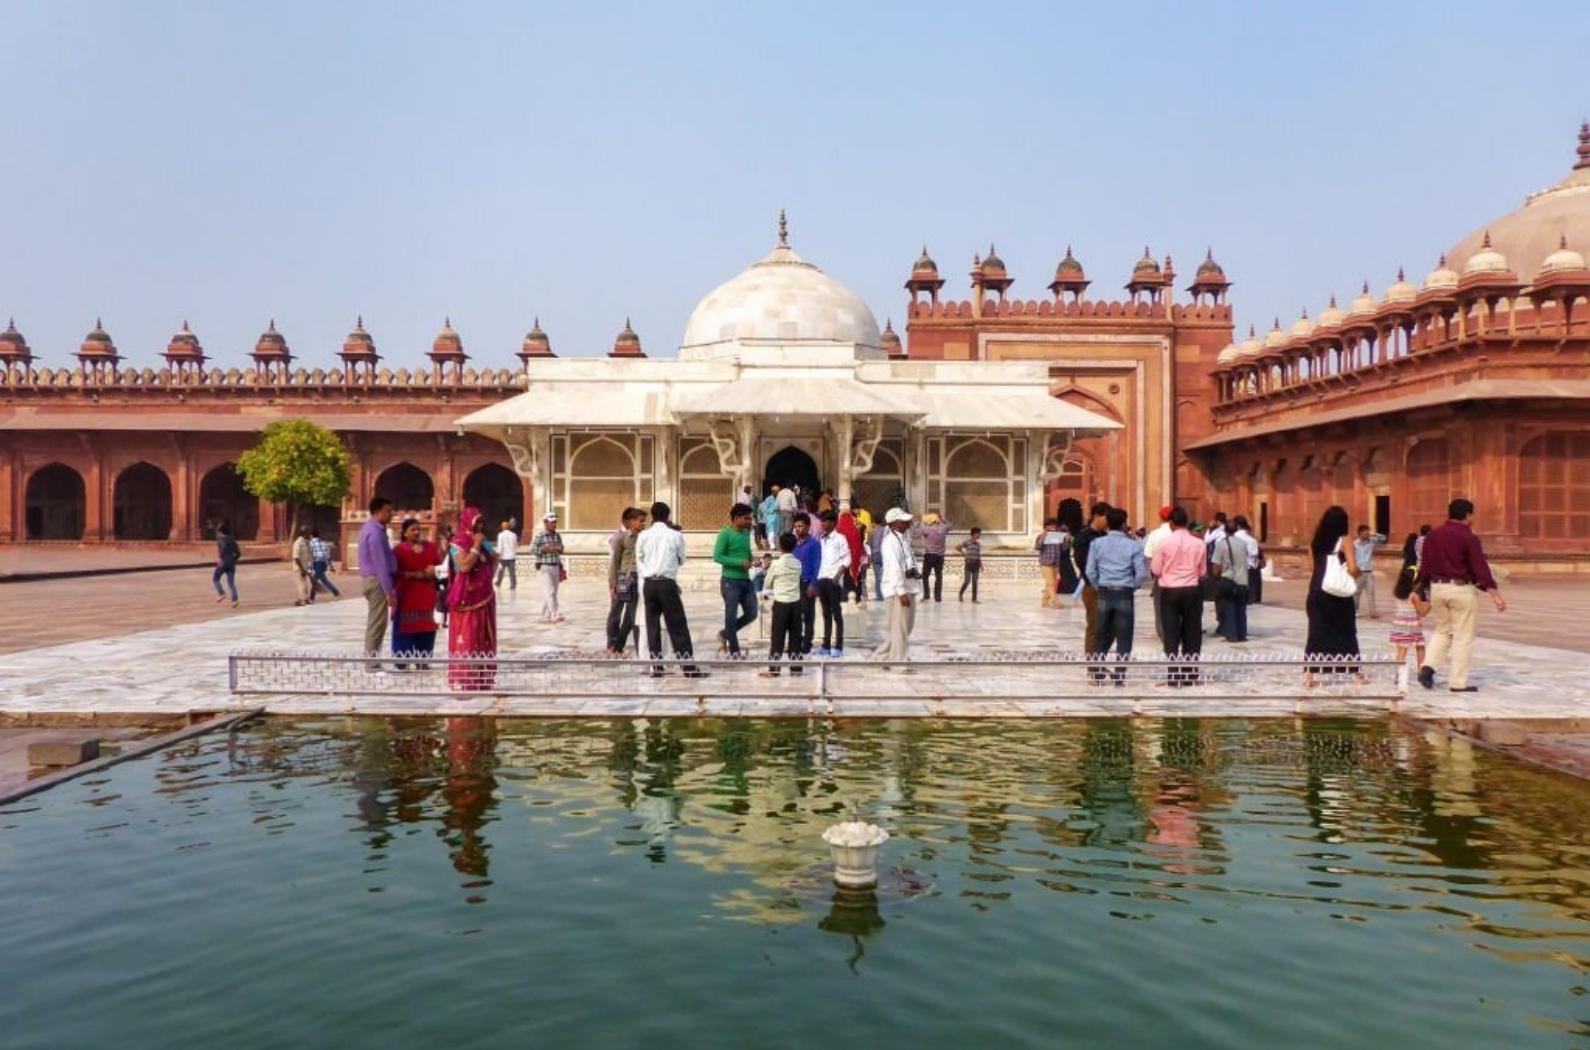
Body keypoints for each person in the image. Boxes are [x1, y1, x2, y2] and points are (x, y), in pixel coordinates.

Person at [1418, 498, 1506, 693]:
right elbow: (1479, 567)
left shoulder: (1433, 536)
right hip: (1460, 589)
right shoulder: (1469, 537)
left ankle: (1427, 667)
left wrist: (1423, 591)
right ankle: (1458, 682)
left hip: (1437, 589)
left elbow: (1425, 565)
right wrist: (1495, 594)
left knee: (1442, 631)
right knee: (1462, 637)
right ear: (1467, 515)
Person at [637, 501, 701, 677]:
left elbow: (639, 559)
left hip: (649, 583)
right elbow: (681, 559)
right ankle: (688, 668)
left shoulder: (644, 535)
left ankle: (657, 667)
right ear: (667, 516)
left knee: (652, 626)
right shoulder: (675, 535)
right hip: (667, 583)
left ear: (652, 515)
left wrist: (649, 572)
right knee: (677, 625)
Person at [1084, 507, 1149, 682]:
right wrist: (1132, 586)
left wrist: (1099, 586)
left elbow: (1090, 571)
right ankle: (1120, 674)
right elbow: (1141, 573)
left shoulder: (1097, 544)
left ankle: (1097, 673)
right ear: (1123, 524)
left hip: (1104, 591)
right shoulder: (1133, 545)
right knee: (1124, 635)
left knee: (1100, 633)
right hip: (1124, 593)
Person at [1304, 505, 1362, 680]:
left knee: (1316, 632)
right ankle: (1355, 673)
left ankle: (1309, 674)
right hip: (1338, 596)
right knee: (1346, 632)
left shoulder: (1314, 543)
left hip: (1317, 591)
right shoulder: (1345, 540)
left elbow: (1312, 569)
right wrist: (1357, 572)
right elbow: (1352, 568)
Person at [1151, 507, 1206, 685]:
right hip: (1192, 589)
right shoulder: (1199, 543)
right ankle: (1190, 674)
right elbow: (1203, 571)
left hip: (1170, 591)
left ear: (1172, 524)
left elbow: (1156, 570)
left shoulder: (1164, 544)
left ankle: (1174, 674)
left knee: (1171, 633)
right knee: (1192, 632)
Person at [446, 508, 497, 691]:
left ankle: (482, 679)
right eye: (477, 522)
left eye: (482, 522)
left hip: (484, 596)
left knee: (483, 637)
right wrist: (475, 545)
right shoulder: (457, 542)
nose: (480, 526)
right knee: (466, 638)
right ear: (468, 522)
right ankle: (464, 680)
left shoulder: (485, 542)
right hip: (465, 599)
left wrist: (486, 580)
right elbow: (464, 566)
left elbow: (494, 560)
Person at [391, 517, 443, 665]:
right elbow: (394, 572)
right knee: (405, 628)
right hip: (407, 595)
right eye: (412, 529)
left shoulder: (431, 547)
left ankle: (423, 660)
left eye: (418, 529)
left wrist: (432, 573)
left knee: (426, 628)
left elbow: (439, 567)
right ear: (404, 533)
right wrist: (413, 574)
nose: (416, 532)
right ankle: (402, 661)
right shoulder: (398, 550)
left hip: (427, 595)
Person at [874, 507, 921, 666]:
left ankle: (882, 657)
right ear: (894, 523)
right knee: (900, 629)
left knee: (904, 628)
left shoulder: (903, 538)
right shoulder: (890, 542)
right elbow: (894, 566)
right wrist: (901, 592)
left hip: (908, 587)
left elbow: (908, 561)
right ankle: (898, 661)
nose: (907, 523)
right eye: (903, 521)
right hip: (897, 591)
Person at [713, 502, 758, 658]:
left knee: (752, 613)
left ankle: (725, 633)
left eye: (750, 519)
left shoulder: (746, 534)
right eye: (746, 519)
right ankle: (734, 651)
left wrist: (752, 560)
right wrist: (739, 562)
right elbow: (717, 556)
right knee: (730, 617)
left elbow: (746, 553)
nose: (749, 522)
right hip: (730, 581)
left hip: (745, 581)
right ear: (736, 518)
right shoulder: (725, 534)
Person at [760, 532, 805, 677]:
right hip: (796, 604)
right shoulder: (798, 564)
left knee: (777, 638)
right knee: (795, 638)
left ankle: (774, 669)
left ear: (780, 546)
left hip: (781, 604)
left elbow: (767, 583)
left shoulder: (776, 565)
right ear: (795, 546)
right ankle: (796, 670)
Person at [358, 498, 398, 656]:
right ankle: (371, 664)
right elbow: (381, 565)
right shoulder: (375, 533)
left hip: (372, 580)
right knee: (377, 624)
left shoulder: (371, 529)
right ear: (378, 511)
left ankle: (372, 660)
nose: (391, 514)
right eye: (388, 511)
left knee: (377, 622)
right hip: (377, 582)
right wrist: (389, 592)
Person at [606, 506, 645, 655]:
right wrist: (612, 583)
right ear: (630, 521)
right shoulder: (620, 538)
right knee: (616, 610)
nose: (643, 524)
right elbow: (615, 561)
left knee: (633, 613)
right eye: (640, 521)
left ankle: (625, 645)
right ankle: (612, 641)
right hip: (624, 579)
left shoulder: (643, 537)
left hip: (637, 578)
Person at [1074, 503, 1111, 654]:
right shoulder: (1084, 537)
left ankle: (1099, 656)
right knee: (1095, 625)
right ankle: (1092, 662)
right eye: (1106, 518)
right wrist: (1095, 580)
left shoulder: (1105, 536)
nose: (1108, 522)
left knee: (1111, 626)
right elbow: (1081, 563)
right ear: (1096, 516)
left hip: (1107, 585)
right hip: (1091, 586)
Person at [815, 508, 852, 657]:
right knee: (825, 613)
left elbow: (847, 558)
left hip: (833, 579)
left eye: (825, 521)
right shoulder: (821, 539)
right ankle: (825, 644)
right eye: (822, 521)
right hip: (822, 578)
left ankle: (839, 645)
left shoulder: (840, 538)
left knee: (836, 613)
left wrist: (837, 576)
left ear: (833, 523)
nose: (823, 524)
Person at [1209, 519, 1251, 643]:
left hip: (1229, 581)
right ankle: (1242, 634)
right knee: (1241, 610)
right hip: (1243, 581)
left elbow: (1216, 566)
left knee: (1229, 607)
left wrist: (1215, 576)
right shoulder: (1242, 543)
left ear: (1224, 530)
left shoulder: (1221, 544)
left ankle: (1232, 634)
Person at [791, 512, 822, 660]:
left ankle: (807, 644)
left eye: (800, 526)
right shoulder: (793, 544)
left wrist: (813, 584)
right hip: (794, 584)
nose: (797, 529)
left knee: (808, 615)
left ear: (808, 527)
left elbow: (817, 565)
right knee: (795, 616)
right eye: (796, 526)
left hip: (808, 583)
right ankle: (796, 642)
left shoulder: (815, 544)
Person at [1142, 505, 1174, 646]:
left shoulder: (1155, 534)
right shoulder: (1181, 534)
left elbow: (1148, 556)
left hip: (1161, 577)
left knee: (1161, 608)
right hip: (1181, 578)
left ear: (1161, 517)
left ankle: (1164, 635)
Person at [1389, 564, 1430, 674]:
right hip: (1412, 626)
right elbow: (1422, 612)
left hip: (1399, 625)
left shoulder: (1397, 593)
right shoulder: (1414, 596)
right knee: (1420, 647)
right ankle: (1421, 671)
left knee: (1401, 650)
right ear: (1415, 583)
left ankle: (1397, 674)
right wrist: (1430, 603)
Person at [529, 512, 565, 622]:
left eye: (555, 523)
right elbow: (533, 550)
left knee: (552, 591)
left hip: (555, 566)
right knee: (550, 591)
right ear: (545, 523)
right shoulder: (540, 536)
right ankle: (555, 614)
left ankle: (545, 613)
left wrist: (559, 551)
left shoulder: (557, 536)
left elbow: (561, 549)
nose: (554, 525)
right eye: (552, 523)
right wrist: (543, 550)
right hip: (545, 567)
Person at [1204, 512, 1229, 637]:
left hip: (1217, 563)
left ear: (1218, 521)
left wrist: (1209, 528)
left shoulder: (1217, 531)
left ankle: (1222, 623)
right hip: (1229, 566)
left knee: (1219, 595)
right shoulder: (1229, 531)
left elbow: (1206, 541)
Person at [1352, 525, 1385, 619]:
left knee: (1371, 592)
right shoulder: (1354, 544)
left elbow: (1383, 538)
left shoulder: (1371, 542)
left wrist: (1374, 534)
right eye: (1365, 532)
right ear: (1360, 533)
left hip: (1368, 571)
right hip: (1358, 571)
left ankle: (1373, 612)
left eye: (1368, 532)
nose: (1367, 534)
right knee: (1356, 593)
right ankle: (1355, 611)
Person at [917, 512, 951, 602]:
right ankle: (938, 597)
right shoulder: (943, 529)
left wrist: (920, 520)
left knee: (925, 576)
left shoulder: (927, 529)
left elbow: (916, 529)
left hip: (929, 555)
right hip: (940, 556)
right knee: (939, 576)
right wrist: (942, 519)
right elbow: (949, 525)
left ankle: (926, 595)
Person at [1034, 517, 1067, 609]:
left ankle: (1044, 601)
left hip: (1056, 562)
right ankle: (1055, 601)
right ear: (1046, 526)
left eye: (1054, 525)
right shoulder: (1041, 536)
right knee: (1051, 583)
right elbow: (1037, 547)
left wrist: (1066, 539)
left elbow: (1063, 548)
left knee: (1051, 583)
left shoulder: (1058, 536)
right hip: (1046, 562)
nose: (1053, 527)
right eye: (1050, 525)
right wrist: (1044, 536)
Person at [836, 508, 864, 604]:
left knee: (844, 578)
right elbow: (859, 545)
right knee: (853, 578)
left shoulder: (839, 529)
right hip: (854, 559)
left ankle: (844, 596)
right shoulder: (854, 529)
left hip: (843, 559)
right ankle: (856, 596)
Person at [213, 521, 240, 607]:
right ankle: (235, 600)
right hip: (231, 563)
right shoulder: (232, 540)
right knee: (231, 583)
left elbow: (221, 552)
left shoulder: (220, 540)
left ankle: (221, 593)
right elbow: (238, 553)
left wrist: (220, 560)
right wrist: (233, 560)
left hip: (223, 563)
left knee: (216, 579)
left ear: (221, 532)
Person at [308, 527, 340, 599]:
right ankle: (311, 596)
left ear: (311, 535)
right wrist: (331, 566)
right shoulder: (323, 543)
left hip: (316, 563)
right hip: (323, 563)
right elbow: (328, 556)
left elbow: (310, 557)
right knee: (317, 579)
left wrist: (309, 567)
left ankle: (335, 592)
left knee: (321, 580)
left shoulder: (310, 544)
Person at [291, 526, 316, 606]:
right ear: (305, 533)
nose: (310, 535)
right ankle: (302, 600)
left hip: (305, 567)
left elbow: (309, 555)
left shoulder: (306, 542)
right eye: (308, 533)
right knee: (301, 584)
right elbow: (296, 557)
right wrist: (302, 569)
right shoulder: (298, 543)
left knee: (305, 584)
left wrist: (309, 567)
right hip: (299, 568)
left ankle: (306, 598)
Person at [957, 527, 983, 602]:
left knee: (975, 581)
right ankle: (960, 594)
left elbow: (978, 555)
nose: (979, 535)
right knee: (967, 581)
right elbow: (958, 547)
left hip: (976, 564)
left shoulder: (978, 544)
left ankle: (974, 599)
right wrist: (964, 554)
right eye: (978, 534)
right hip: (968, 564)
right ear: (974, 534)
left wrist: (981, 565)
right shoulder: (967, 542)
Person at [494, 518, 519, 590]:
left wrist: (498, 554)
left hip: (503, 556)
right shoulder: (514, 535)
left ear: (503, 527)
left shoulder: (501, 535)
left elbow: (500, 546)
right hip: (511, 556)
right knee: (512, 572)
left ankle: (498, 582)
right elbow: (515, 545)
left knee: (501, 571)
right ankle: (513, 585)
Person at [760, 485, 785, 549]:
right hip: (771, 518)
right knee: (771, 532)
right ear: (773, 491)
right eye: (776, 491)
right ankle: (772, 546)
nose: (777, 493)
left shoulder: (781, 498)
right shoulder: (768, 499)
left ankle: (777, 545)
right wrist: (772, 510)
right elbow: (765, 509)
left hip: (779, 517)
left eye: (778, 491)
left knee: (777, 532)